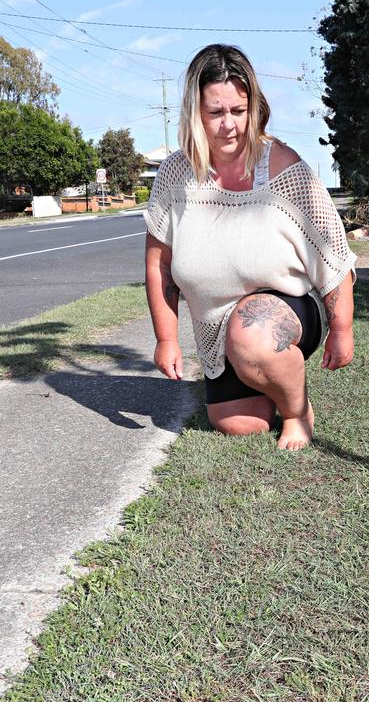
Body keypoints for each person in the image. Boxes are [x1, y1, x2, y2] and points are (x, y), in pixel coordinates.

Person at [144, 44, 357, 450]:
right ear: (195, 113)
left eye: (239, 112)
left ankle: (297, 412)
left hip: (284, 312)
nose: (229, 125)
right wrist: (166, 339)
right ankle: (266, 379)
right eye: (216, 112)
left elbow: (332, 254)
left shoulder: (282, 166)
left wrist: (341, 329)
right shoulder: (174, 174)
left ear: (253, 109)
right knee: (239, 424)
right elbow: (159, 266)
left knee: (251, 333)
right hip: (217, 329)